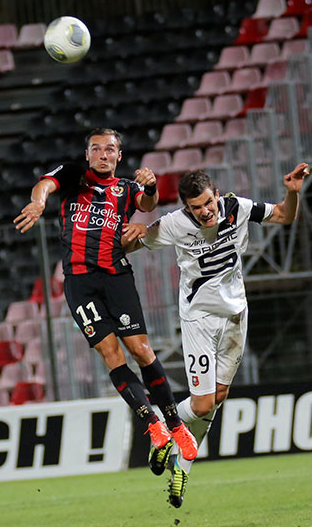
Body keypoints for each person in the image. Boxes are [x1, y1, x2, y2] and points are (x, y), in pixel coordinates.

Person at [121, 162, 310, 507]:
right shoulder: (175, 224)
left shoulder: (238, 207)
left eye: (208, 202)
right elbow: (130, 245)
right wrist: (132, 231)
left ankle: (182, 466)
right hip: (200, 320)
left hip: (236, 316)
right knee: (203, 403)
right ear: (186, 208)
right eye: (196, 207)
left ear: (217, 195)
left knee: (218, 396)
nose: (205, 211)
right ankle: (161, 429)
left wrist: (292, 193)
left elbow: (285, 215)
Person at [14, 127, 197, 478]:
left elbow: (148, 204)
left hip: (116, 278)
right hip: (80, 283)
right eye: (96, 149)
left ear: (118, 155)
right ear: (87, 154)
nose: (102, 154)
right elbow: (45, 184)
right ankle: (154, 426)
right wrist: (38, 202)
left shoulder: (126, 188)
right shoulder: (74, 177)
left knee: (141, 350)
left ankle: (176, 425)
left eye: (109, 149)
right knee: (110, 353)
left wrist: (151, 187)